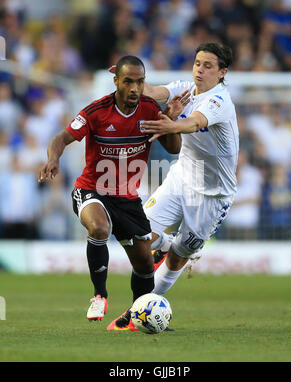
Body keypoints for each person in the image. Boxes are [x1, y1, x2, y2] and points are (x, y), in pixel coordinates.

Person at [38, 55, 187, 330]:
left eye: (140, 82)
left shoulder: (151, 110)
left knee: (144, 266)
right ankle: (99, 295)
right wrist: (53, 158)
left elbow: (174, 148)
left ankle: (137, 317)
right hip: (91, 190)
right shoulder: (97, 111)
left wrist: (169, 121)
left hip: (127, 199)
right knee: (98, 229)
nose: (134, 88)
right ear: (116, 81)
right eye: (128, 81)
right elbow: (61, 138)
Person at [108, 42, 239, 331]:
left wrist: (171, 126)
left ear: (222, 73)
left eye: (208, 66)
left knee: (180, 257)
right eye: (197, 63)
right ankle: (140, 307)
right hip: (182, 177)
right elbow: (155, 92)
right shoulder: (185, 88)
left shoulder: (219, 101)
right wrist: (131, 83)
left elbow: (194, 123)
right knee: (137, 231)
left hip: (212, 195)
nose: (200, 70)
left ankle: (139, 309)